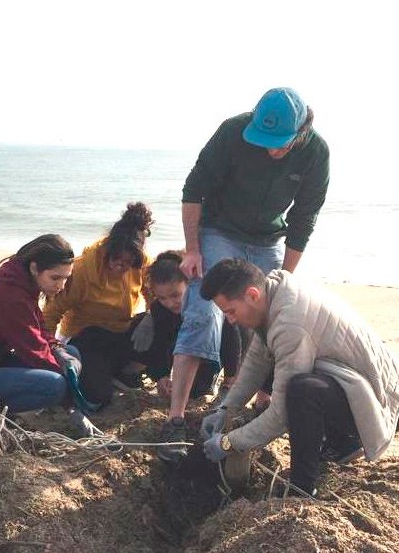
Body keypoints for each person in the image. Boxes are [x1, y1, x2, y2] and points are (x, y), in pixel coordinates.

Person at [159, 86, 331, 463]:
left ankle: (258, 403)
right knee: (203, 313)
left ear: (302, 130)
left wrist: (284, 280)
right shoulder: (231, 132)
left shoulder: (316, 153)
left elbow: (305, 219)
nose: (273, 151)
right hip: (219, 229)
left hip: (269, 237)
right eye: (266, 142)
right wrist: (192, 248)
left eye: (281, 144)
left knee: (267, 319)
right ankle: (175, 418)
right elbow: (194, 189)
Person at [198, 259, 399, 498]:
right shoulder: (275, 293)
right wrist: (225, 409)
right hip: (353, 382)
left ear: (252, 295)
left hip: (387, 401)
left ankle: (302, 488)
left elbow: (280, 415)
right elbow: (256, 362)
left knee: (301, 392)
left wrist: (228, 443)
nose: (230, 320)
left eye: (230, 311)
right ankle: (342, 444)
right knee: (281, 372)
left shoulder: (291, 323)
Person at [0, 234, 98, 436]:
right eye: (55, 278)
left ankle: (54, 404)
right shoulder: (10, 294)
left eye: (66, 278)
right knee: (56, 385)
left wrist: (58, 350)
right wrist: (72, 403)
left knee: (70, 352)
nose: (61, 286)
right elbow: (34, 351)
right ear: (34, 268)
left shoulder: (22, 283)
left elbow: (40, 328)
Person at [42, 202, 153, 406]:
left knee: (165, 320)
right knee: (98, 397)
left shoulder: (141, 263)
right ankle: (104, 373)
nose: (120, 267)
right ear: (107, 250)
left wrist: (151, 316)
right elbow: (50, 313)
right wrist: (50, 354)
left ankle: (122, 373)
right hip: (85, 336)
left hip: (121, 331)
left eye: (126, 264)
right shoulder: (83, 269)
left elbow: (155, 292)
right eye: (116, 261)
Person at [130, 250, 242, 399]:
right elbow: (161, 344)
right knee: (140, 324)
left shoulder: (207, 304)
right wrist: (161, 376)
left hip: (212, 347)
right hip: (179, 343)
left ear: (189, 284)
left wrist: (230, 375)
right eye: (162, 298)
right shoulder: (160, 308)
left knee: (196, 391)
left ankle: (214, 377)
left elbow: (231, 340)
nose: (170, 303)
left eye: (175, 295)